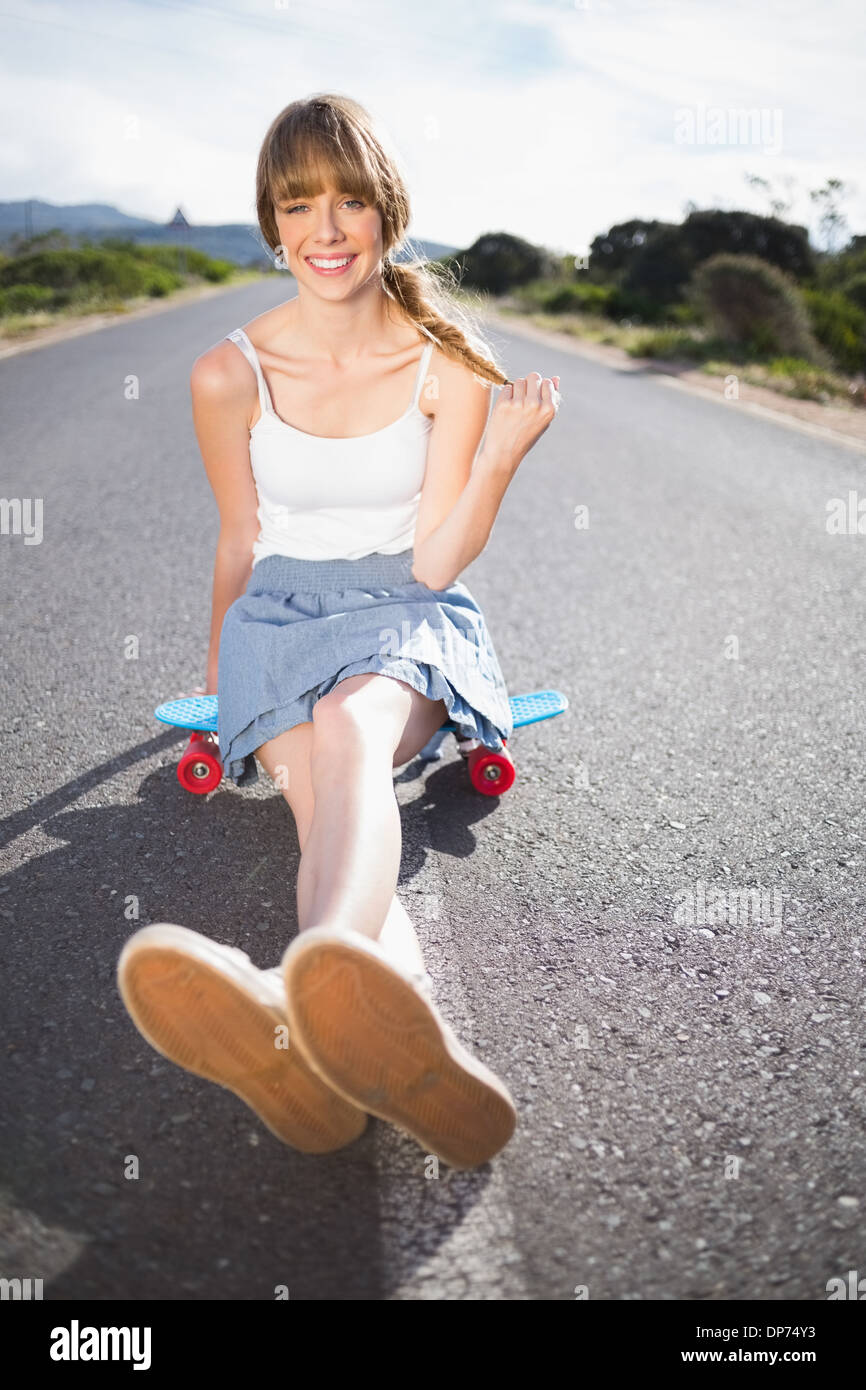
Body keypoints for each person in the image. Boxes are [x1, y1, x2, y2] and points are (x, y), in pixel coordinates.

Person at [117, 93, 560, 1170]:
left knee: (355, 733)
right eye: (297, 202)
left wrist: (498, 461)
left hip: (404, 612)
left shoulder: (441, 362)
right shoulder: (227, 373)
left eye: (348, 199)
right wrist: (229, 688)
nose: (325, 228)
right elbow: (237, 540)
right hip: (279, 620)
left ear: (384, 212)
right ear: (271, 223)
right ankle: (347, 1058)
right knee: (324, 818)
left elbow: (434, 561)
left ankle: (282, 993)